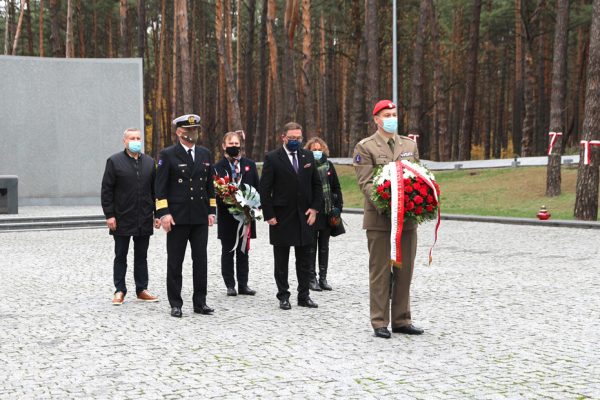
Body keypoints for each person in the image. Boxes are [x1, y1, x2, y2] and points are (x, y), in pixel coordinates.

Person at [353, 100, 424, 338]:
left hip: (408, 220)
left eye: (394, 114)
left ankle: (402, 319)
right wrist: (391, 205)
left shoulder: (409, 145)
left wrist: (416, 201)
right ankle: (379, 321)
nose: (391, 118)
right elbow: (366, 183)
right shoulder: (365, 147)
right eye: (386, 114)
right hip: (381, 221)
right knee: (381, 272)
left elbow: (418, 176)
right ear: (376, 119)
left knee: (405, 270)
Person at [155, 114, 216, 318]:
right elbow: (160, 187)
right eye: (189, 131)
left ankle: (200, 302)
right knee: (175, 261)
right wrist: (163, 213)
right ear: (179, 133)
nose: (193, 134)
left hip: (199, 216)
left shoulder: (205, 154)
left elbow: (210, 185)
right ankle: (175, 303)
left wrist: (211, 211)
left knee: (201, 260)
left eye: (195, 130)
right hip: (177, 217)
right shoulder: (168, 154)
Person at [259, 122, 323, 310]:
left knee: (305, 259)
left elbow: (317, 185)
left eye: (298, 138)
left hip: (305, 216)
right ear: (283, 137)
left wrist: (314, 209)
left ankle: (304, 295)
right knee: (282, 260)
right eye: (292, 138)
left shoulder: (308, 155)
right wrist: (268, 214)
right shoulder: (272, 158)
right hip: (281, 216)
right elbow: (265, 188)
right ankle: (283, 295)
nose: (295, 141)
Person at [101, 128, 160, 306]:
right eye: (132, 138)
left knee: (141, 256)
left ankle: (142, 289)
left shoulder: (149, 162)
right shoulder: (114, 161)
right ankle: (119, 290)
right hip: (121, 218)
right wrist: (110, 215)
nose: (136, 141)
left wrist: (158, 214)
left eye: (138, 138)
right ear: (124, 141)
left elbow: (155, 190)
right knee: (121, 255)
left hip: (144, 218)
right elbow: (106, 190)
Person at [213, 131, 260, 297]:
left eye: (236, 144)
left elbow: (257, 188)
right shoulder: (217, 167)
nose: (234, 147)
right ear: (224, 146)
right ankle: (230, 285)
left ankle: (243, 284)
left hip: (246, 217)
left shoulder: (250, 165)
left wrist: (254, 206)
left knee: (243, 251)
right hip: (228, 216)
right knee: (228, 251)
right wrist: (229, 201)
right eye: (230, 144)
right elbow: (214, 192)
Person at [304, 137, 343, 292]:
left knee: (324, 247)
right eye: (314, 150)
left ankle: (323, 278)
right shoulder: (306, 166)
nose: (317, 152)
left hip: (327, 211)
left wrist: (338, 206)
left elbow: (336, 187)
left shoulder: (329, 165)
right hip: (314, 211)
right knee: (311, 246)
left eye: (319, 149)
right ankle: (311, 279)